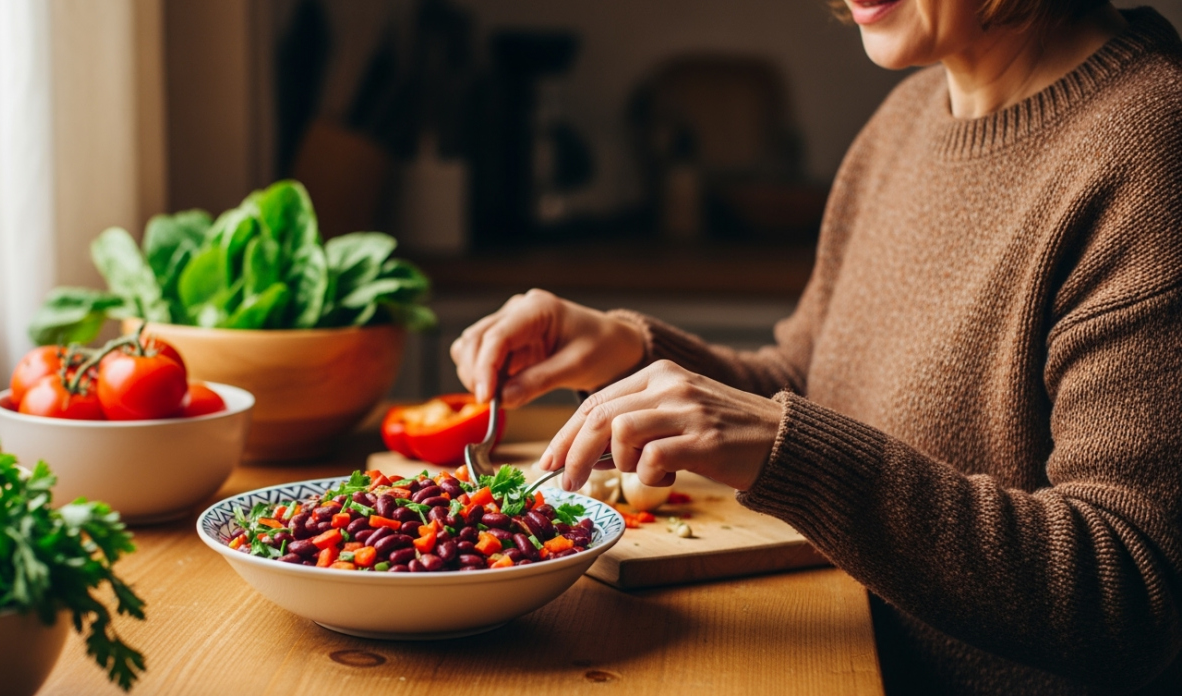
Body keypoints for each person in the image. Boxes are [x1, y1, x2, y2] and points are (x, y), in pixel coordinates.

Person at [449, 1, 1182, 693]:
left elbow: (1132, 598)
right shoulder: (907, 117)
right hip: (833, 657)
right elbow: (809, 385)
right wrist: (624, 353)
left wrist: (784, 450)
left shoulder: (1151, 148)